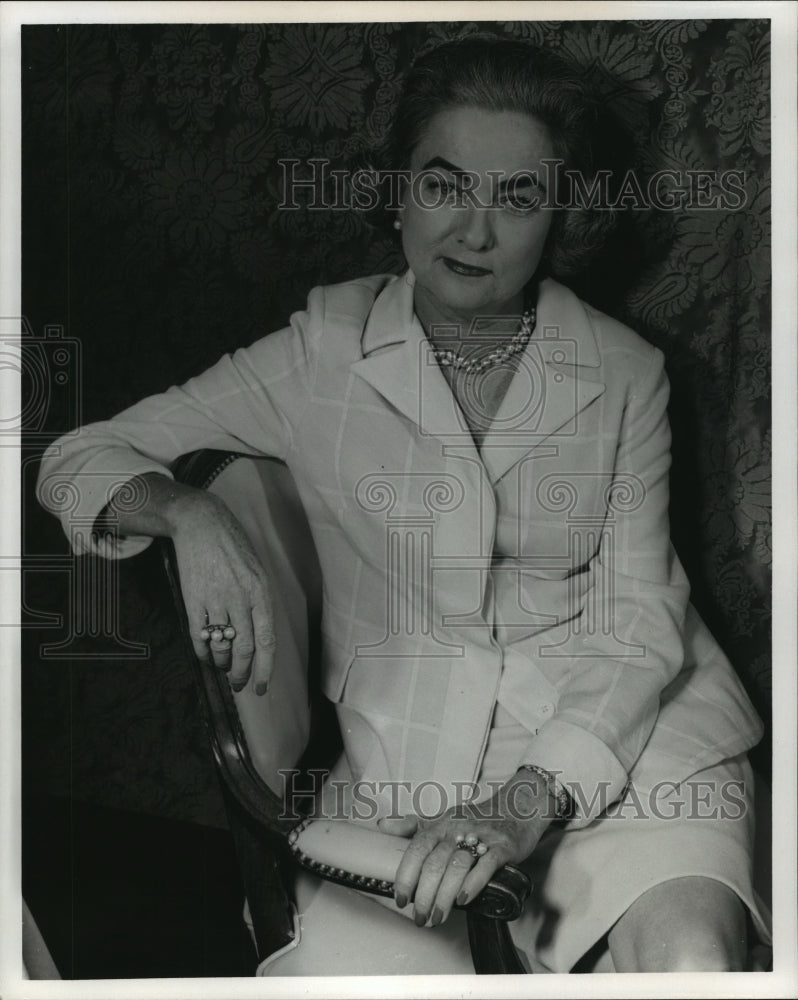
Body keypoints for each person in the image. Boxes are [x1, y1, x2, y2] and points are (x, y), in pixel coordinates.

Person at [37, 37, 770, 974]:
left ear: (559, 217)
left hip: (633, 734)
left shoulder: (628, 374)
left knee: (693, 966)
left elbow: (640, 623)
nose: (474, 231)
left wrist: (524, 802)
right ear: (396, 193)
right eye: (444, 184)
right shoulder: (320, 353)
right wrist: (188, 512)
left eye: (517, 197)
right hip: (413, 759)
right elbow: (72, 458)